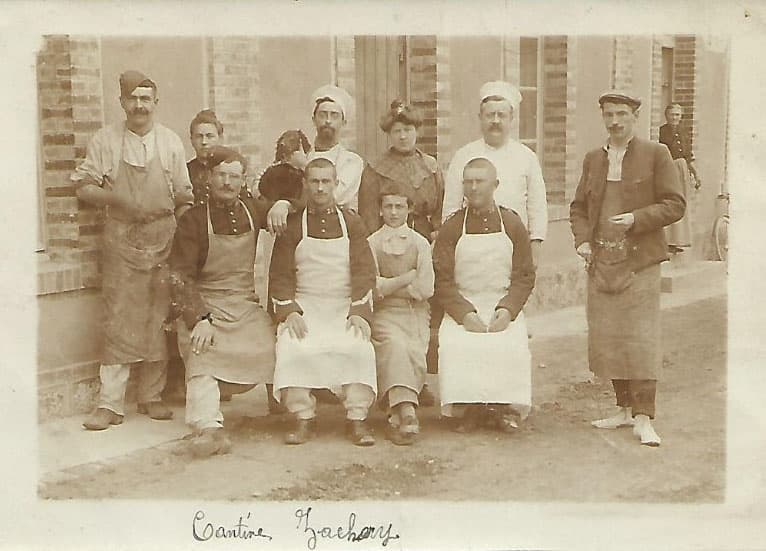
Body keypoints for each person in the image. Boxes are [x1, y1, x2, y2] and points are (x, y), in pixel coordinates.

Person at [72, 70, 194, 430]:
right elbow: (84, 187)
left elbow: (184, 194)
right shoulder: (105, 140)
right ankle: (110, 404)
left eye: (146, 99)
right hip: (121, 240)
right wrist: (117, 198)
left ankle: (151, 396)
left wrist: (183, 234)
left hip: (163, 239)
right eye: (133, 99)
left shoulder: (170, 142)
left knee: (157, 317)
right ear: (122, 102)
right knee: (119, 319)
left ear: (155, 103)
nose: (139, 106)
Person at [570, 91, 685, 447]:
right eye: (608, 115)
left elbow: (675, 205)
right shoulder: (593, 159)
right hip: (602, 261)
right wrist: (582, 241)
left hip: (640, 261)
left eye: (621, 114)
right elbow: (578, 208)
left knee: (641, 340)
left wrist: (636, 218)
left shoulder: (656, 154)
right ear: (602, 117)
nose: (615, 121)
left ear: (635, 116)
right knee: (610, 339)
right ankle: (622, 410)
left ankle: (644, 418)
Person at [169, 146, 298, 457]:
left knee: (277, 343)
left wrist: (284, 202)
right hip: (206, 304)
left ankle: (289, 409)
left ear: (243, 181)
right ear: (209, 179)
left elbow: (304, 204)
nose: (227, 182)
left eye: (234, 176)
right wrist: (198, 318)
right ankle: (208, 427)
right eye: (221, 175)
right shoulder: (194, 220)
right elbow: (178, 276)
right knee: (201, 349)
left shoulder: (253, 209)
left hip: (243, 303)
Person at [269, 158, 378, 446]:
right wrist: (289, 311)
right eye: (314, 181)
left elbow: (365, 271)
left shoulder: (352, 222)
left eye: (325, 181)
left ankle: (357, 419)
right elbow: (279, 275)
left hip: (344, 305)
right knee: (293, 345)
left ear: (335, 184)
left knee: (358, 346)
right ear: (305, 184)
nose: (319, 188)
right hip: (306, 305)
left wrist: (359, 311)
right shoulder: (293, 225)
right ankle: (303, 416)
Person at [433, 157, 536, 433]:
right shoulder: (452, 227)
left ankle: (504, 408)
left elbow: (525, 275)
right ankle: (471, 408)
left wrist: (508, 309)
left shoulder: (512, 224)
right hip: (463, 302)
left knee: (509, 343)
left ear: (495, 185)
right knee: (458, 344)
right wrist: (464, 313)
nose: (474, 187)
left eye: (480, 181)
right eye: (468, 181)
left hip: (501, 302)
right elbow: (441, 279)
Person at [357, 99, 444, 405]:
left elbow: (440, 209)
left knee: (424, 316)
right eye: (397, 131)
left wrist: (434, 237)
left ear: (416, 131)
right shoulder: (375, 170)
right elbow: (369, 216)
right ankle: (390, 382)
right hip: (387, 248)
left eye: (408, 130)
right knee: (390, 317)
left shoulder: (431, 167)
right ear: (389, 134)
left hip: (425, 246)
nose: (403, 137)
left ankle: (418, 380)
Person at [443, 81, 547, 268]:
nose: (496, 121)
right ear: (480, 117)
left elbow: (537, 207)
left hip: (515, 246)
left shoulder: (526, 157)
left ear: (511, 119)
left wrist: (535, 249)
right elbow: (451, 207)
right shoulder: (463, 156)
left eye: (502, 115)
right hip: (471, 248)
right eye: (490, 115)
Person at [368, 182, 435, 445]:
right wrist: (407, 277)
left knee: (412, 348)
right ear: (380, 210)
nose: (394, 212)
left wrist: (389, 285)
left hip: (416, 313)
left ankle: (396, 414)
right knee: (394, 345)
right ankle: (407, 411)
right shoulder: (371, 243)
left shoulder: (420, 243)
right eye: (388, 207)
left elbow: (426, 288)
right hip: (384, 314)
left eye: (399, 206)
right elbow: (373, 288)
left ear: (409, 209)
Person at [307, 84, 365, 212]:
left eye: (334, 115)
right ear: (314, 119)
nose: (328, 121)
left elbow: (334, 197)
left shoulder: (351, 162)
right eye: (322, 115)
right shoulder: (303, 156)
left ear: (343, 122)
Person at [659, 103, 700, 253]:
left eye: (677, 115)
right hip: (669, 168)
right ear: (666, 116)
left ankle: (678, 240)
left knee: (681, 203)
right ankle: (666, 240)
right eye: (672, 114)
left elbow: (688, 156)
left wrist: (695, 174)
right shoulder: (661, 132)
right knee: (670, 201)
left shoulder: (683, 132)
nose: (675, 118)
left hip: (682, 170)